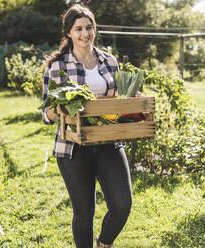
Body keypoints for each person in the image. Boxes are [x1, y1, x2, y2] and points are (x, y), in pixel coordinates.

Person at [41, 4, 134, 248]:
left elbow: (117, 100)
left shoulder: (109, 61)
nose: (85, 33)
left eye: (89, 27)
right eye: (79, 28)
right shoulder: (57, 66)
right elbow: (45, 114)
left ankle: (104, 242)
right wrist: (57, 108)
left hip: (108, 141)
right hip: (72, 148)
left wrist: (132, 100)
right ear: (69, 33)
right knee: (84, 212)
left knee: (122, 205)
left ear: (95, 29)